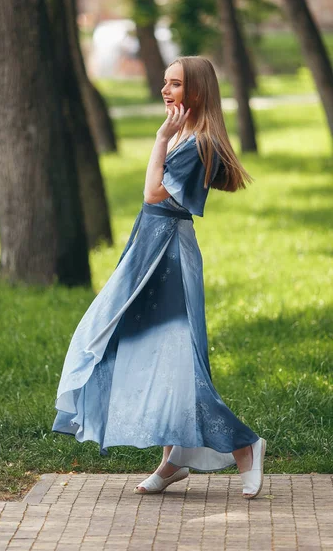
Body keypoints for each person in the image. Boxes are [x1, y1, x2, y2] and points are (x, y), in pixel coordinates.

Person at [53, 55, 267, 500]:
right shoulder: (186, 136)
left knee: (177, 362)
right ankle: (172, 462)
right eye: (165, 82)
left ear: (198, 92)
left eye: (175, 84)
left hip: (167, 254)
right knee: (142, 349)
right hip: (148, 247)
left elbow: (154, 193)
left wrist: (159, 138)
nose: (165, 91)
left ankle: (245, 446)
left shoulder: (197, 142)